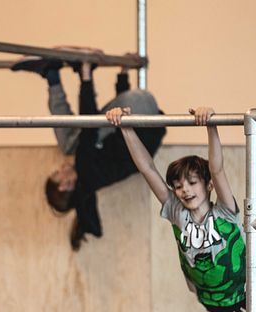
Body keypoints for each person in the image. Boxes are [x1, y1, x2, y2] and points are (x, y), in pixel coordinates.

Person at [105, 106, 256, 312]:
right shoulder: (176, 212)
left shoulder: (224, 211)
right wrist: (126, 127)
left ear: (209, 185)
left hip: (246, 287)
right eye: (179, 186)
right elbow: (148, 169)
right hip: (214, 299)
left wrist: (211, 125)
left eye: (192, 183)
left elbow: (217, 168)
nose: (185, 191)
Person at [13, 48, 166, 250]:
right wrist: (86, 74)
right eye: (58, 174)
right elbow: (90, 122)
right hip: (142, 110)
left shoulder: (93, 177)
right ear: (65, 185)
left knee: (72, 143)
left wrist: (123, 73)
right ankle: (52, 78)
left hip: (145, 113)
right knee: (71, 143)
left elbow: (119, 122)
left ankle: (52, 77)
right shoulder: (86, 170)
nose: (60, 168)